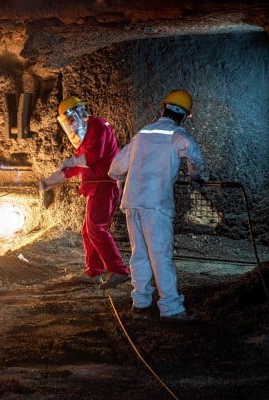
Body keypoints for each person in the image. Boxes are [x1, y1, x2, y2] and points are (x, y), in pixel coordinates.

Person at [108, 89, 207, 322]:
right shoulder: (178, 135)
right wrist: (195, 176)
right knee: (160, 255)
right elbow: (195, 160)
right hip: (156, 204)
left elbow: (114, 169)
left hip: (132, 203)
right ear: (183, 116)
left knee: (139, 254)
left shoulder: (141, 134)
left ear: (163, 108)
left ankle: (141, 304)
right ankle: (171, 308)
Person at [38, 96, 130, 289]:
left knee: (97, 228)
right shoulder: (85, 140)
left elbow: (92, 157)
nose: (70, 126)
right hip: (96, 188)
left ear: (79, 113)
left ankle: (119, 271)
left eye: (71, 120)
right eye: (67, 123)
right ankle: (94, 272)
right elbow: (75, 168)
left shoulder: (97, 125)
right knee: (88, 230)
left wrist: (72, 161)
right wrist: (47, 183)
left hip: (104, 186)